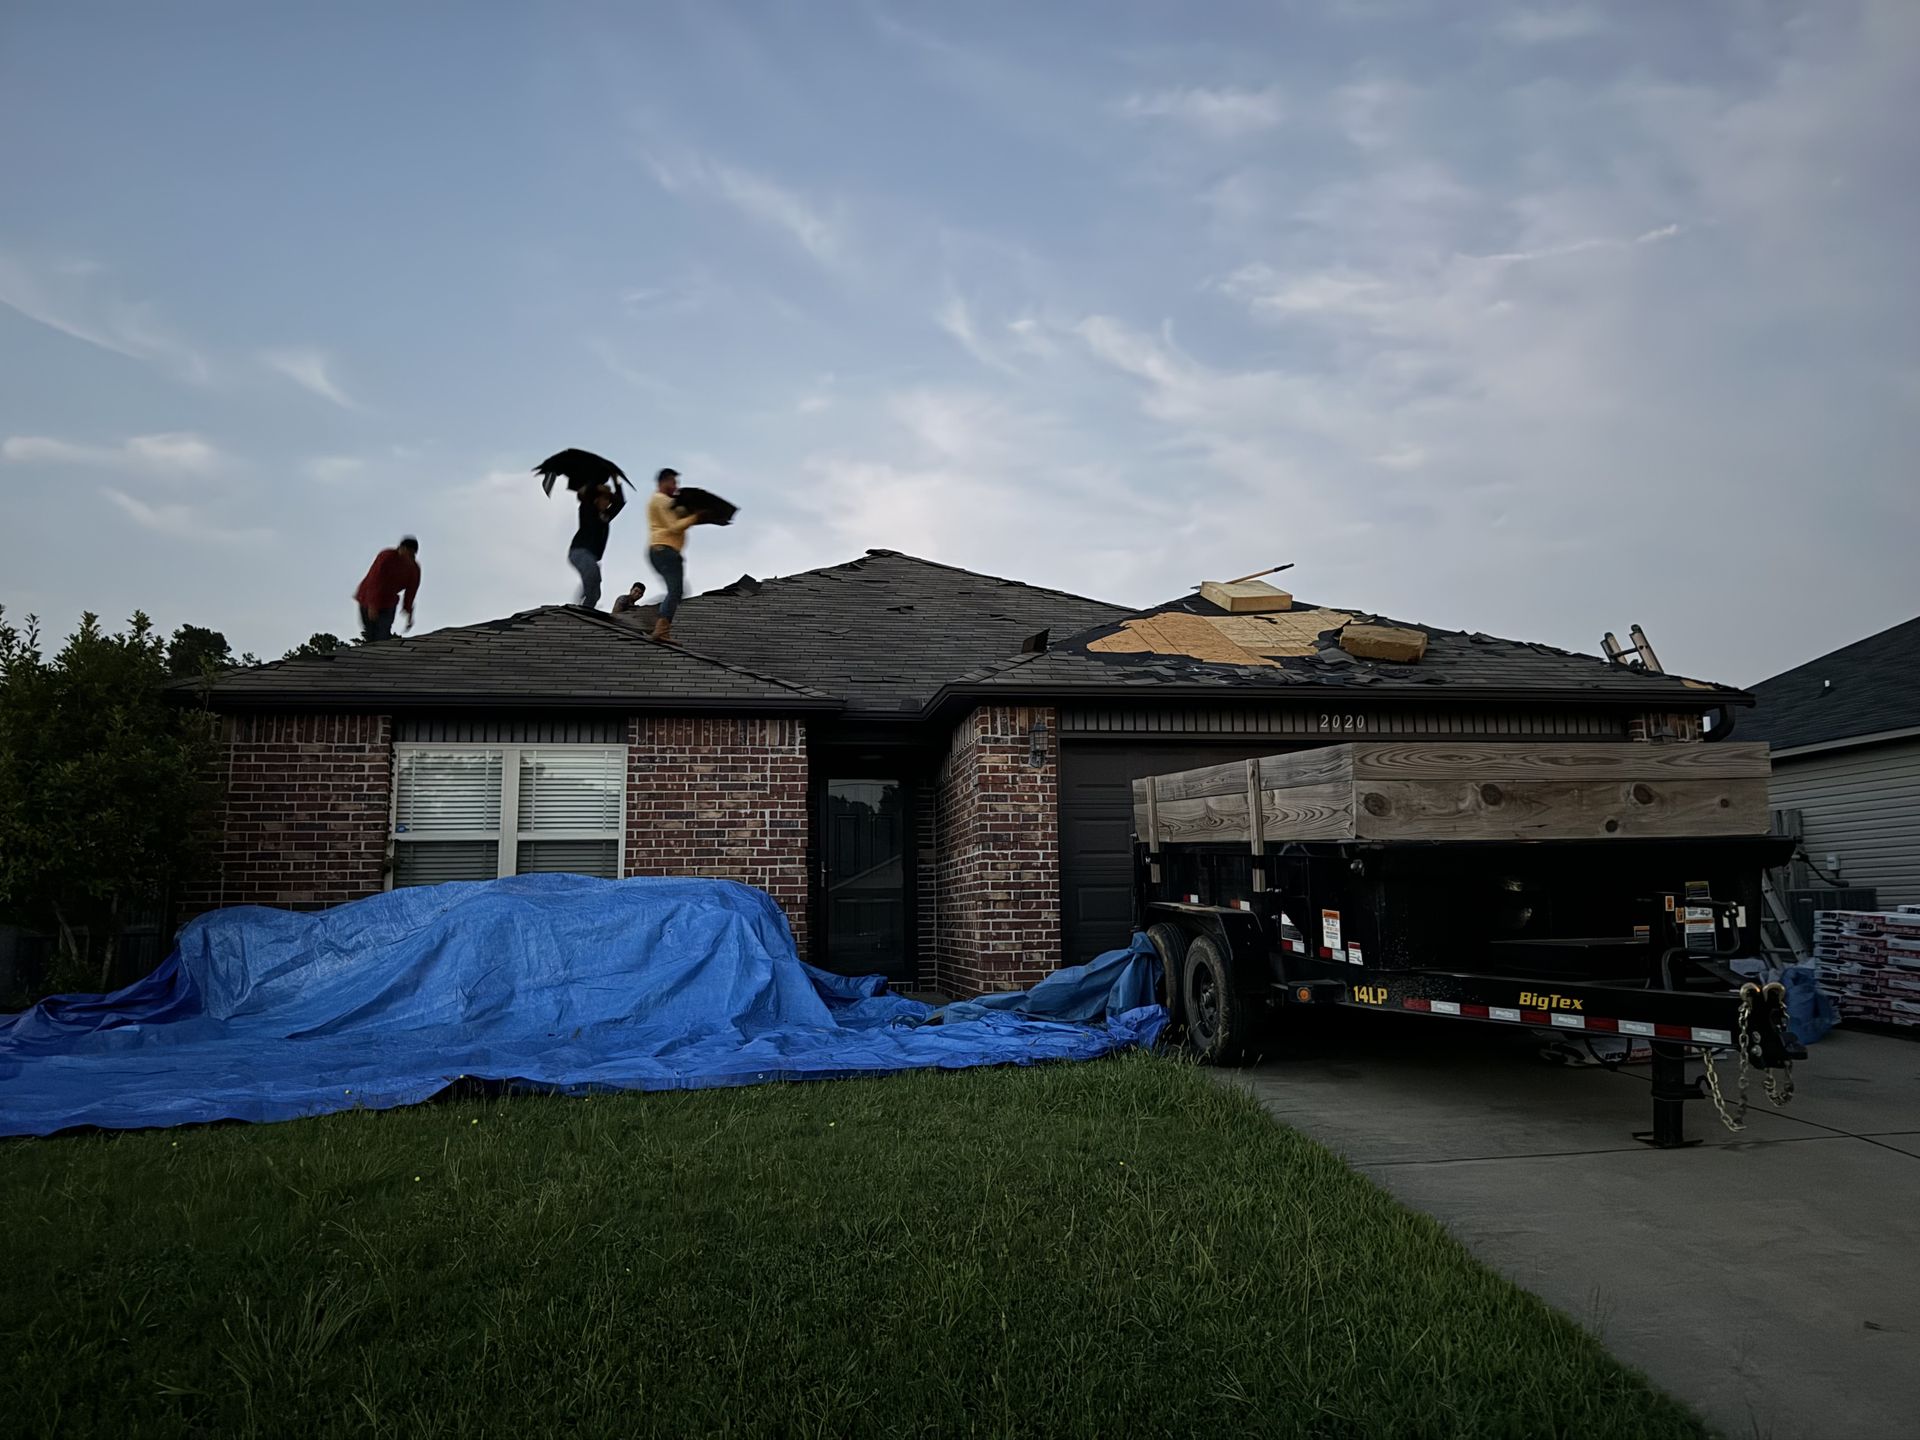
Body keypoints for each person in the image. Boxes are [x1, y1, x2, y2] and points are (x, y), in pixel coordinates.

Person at [646, 467, 702, 642]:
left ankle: (661, 623)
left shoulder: (668, 502)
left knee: (677, 591)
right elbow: (673, 526)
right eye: (672, 481)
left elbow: (679, 516)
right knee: (676, 590)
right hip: (664, 550)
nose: (675, 485)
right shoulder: (660, 500)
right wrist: (695, 517)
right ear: (663, 482)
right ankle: (659, 625)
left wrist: (691, 512)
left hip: (666, 551)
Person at [568, 482, 626, 609]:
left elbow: (620, 503)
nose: (607, 503)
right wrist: (596, 487)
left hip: (592, 557)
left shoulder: (606, 516)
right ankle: (577, 605)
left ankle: (587, 609)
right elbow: (587, 494)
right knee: (592, 574)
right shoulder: (587, 509)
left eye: (608, 501)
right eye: (604, 499)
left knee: (595, 591)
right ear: (596, 499)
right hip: (579, 552)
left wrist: (618, 483)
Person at [354, 536, 420, 642]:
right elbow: (375, 580)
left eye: (413, 554)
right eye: (409, 552)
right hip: (367, 598)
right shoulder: (386, 557)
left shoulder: (414, 569)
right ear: (401, 548)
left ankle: (377, 655)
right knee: (371, 633)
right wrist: (373, 604)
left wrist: (408, 612)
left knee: (382, 635)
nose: (410, 556)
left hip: (388, 602)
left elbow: (411, 591)